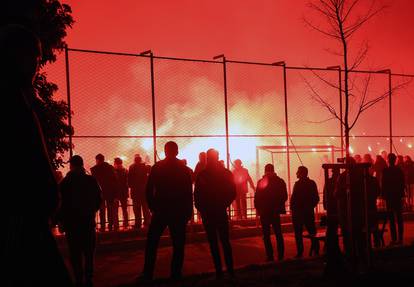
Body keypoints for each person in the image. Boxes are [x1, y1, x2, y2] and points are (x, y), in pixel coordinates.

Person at [2, 25, 72, 286]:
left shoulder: (20, 97)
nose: (37, 63)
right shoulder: (10, 98)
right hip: (20, 214)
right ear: (17, 55)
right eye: (35, 56)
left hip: (28, 214)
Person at [140, 141, 193, 280]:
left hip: (161, 210)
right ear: (177, 152)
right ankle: (176, 273)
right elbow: (188, 192)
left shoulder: (157, 167)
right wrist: (188, 212)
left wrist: (153, 207)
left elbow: (149, 189)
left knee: (152, 243)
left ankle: (148, 273)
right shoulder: (183, 168)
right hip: (178, 211)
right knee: (178, 244)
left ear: (165, 151)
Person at [59, 155, 102, 286]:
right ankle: (89, 278)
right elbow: (98, 199)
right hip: (88, 222)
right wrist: (91, 211)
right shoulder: (91, 180)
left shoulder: (65, 182)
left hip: (72, 224)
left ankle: (78, 279)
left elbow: (60, 203)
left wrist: (60, 221)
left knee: (75, 253)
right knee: (89, 253)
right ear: (82, 164)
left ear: (71, 165)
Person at [195, 148, 236, 278]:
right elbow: (232, 192)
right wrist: (223, 204)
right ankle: (230, 270)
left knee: (213, 243)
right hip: (220, 211)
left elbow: (197, 195)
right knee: (225, 241)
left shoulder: (203, 175)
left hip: (209, 213)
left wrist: (202, 209)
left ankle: (219, 271)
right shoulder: (225, 173)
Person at [254, 164, 287, 261]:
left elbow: (257, 197)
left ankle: (270, 255)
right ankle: (281, 255)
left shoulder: (261, 182)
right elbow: (284, 196)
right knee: (278, 233)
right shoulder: (280, 181)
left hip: (264, 211)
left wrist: (258, 208)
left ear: (265, 171)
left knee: (266, 235)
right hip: (275, 211)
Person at [290, 166, 320, 258]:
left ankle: (300, 252)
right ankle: (316, 250)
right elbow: (316, 198)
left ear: (301, 173)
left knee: (298, 234)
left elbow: (293, 199)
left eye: (298, 172)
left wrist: (293, 209)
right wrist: (310, 206)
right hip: (308, 212)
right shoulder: (312, 183)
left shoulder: (298, 184)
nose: (296, 173)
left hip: (298, 213)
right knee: (312, 231)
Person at [91, 154, 118, 231]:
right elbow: (115, 181)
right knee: (110, 209)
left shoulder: (94, 169)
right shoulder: (110, 168)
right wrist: (115, 193)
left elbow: (94, 182)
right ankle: (110, 225)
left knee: (102, 210)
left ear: (98, 160)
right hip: (110, 192)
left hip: (100, 192)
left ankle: (102, 226)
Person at [382, 153, 405, 245]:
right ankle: (400, 238)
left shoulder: (385, 171)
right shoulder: (399, 170)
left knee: (391, 218)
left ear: (388, 160)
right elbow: (402, 183)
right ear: (395, 160)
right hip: (397, 196)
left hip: (389, 197)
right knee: (399, 218)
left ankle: (394, 239)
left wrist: (383, 195)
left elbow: (383, 183)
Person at [128, 154, 151, 228]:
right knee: (145, 208)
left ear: (134, 160)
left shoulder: (131, 167)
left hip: (135, 192)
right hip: (144, 191)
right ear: (140, 160)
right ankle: (147, 222)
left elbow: (129, 180)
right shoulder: (145, 167)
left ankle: (138, 223)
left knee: (137, 209)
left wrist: (131, 186)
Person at [114, 157, 129, 229]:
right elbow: (128, 182)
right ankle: (126, 223)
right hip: (124, 193)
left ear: (116, 163)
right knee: (124, 209)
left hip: (116, 193)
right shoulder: (125, 170)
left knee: (115, 210)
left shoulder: (114, 171)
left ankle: (116, 224)